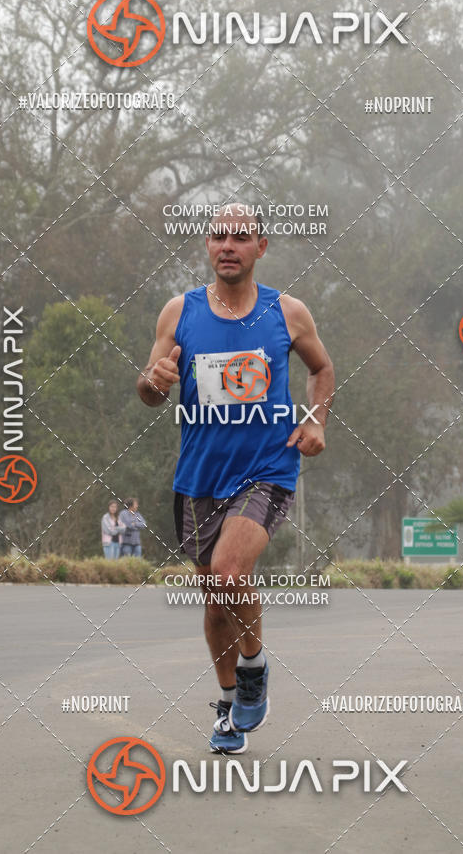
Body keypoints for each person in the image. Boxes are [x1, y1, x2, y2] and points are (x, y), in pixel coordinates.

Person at [137, 203, 334, 754]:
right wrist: (154, 380)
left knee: (228, 573)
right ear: (207, 244)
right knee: (215, 600)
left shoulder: (287, 312)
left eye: (241, 237)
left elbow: (322, 368)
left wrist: (316, 418)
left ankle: (254, 667)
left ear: (260, 247)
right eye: (219, 236)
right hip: (199, 477)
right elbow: (150, 390)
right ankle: (228, 705)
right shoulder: (179, 312)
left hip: (268, 468)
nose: (228, 245)